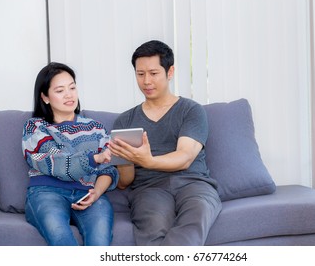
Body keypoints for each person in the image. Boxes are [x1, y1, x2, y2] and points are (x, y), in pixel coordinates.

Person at [108, 40, 222, 245]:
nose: (146, 81)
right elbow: (125, 182)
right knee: (153, 225)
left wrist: (148, 160)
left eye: (153, 73)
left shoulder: (191, 110)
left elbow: (185, 157)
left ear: (170, 72)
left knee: (198, 212)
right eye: (140, 74)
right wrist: (124, 159)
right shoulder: (124, 121)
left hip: (193, 183)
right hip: (150, 188)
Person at [22, 62, 118, 246]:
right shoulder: (35, 127)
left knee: (100, 243)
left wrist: (96, 193)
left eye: (72, 87)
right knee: (62, 241)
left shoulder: (95, 128)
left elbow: (109, 168)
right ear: (45, 97)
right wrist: (95, 158)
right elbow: (56, 162)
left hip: (88, 193)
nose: (69, 94)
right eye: (60, 90)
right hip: (46, 193)